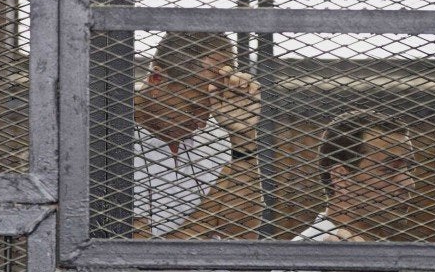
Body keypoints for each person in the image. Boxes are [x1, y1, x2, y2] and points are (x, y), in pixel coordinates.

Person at [133, 32, 313, 239]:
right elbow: (146, 256)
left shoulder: (216, 132)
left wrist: (243, 137)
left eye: (210, 108)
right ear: (157, 79)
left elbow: (242, 236)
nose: (202, 123)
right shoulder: (108, 134)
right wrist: (216, 203)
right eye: (193, 108)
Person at [293, 110, 416, 242]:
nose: (409, 183)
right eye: (390, 169)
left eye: (410, 168)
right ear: (341, 179)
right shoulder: (298, 257)